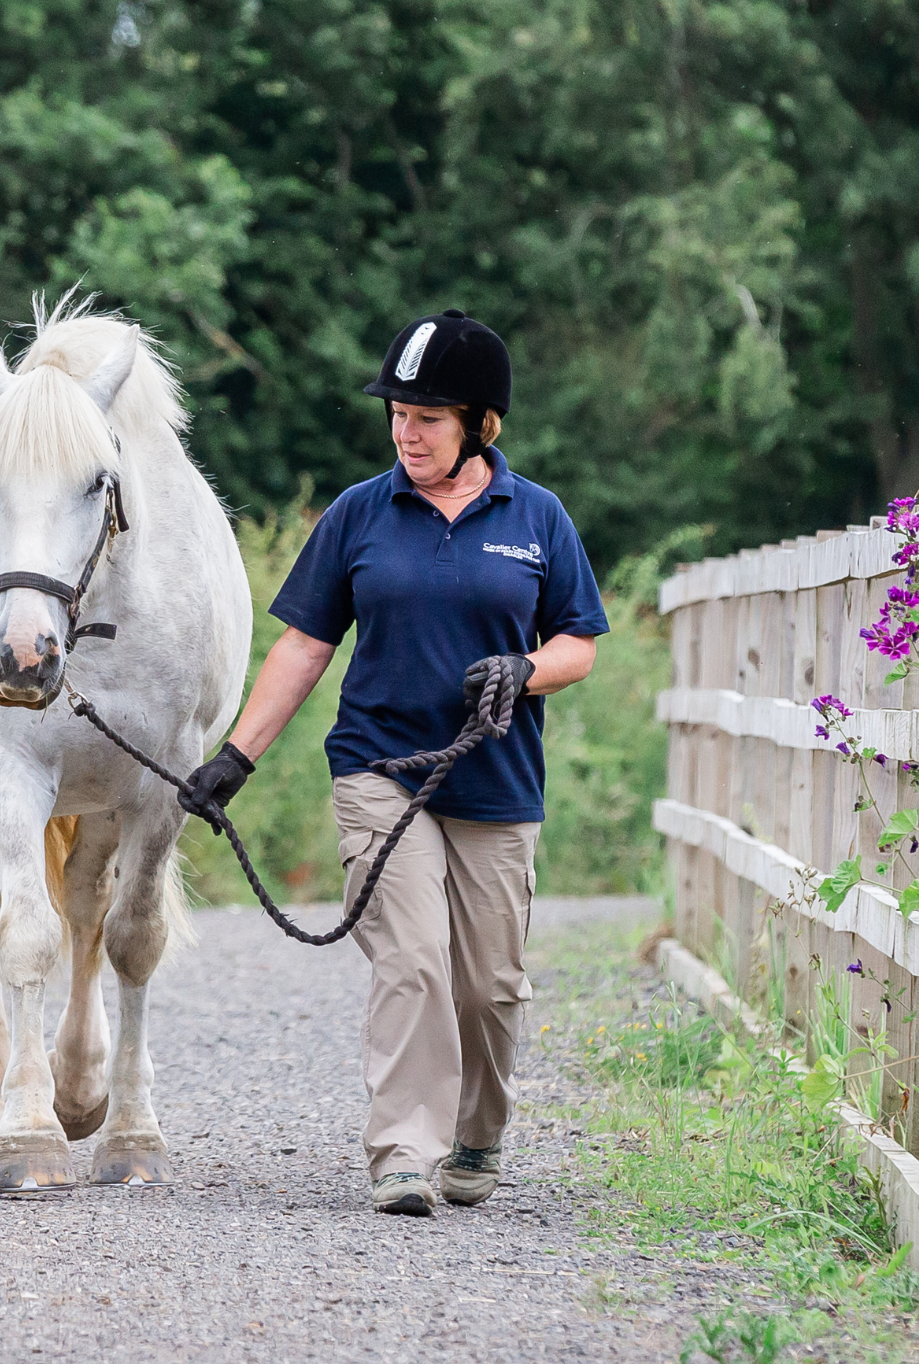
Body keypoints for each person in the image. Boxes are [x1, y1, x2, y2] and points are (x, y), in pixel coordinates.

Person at [180, 310, 608, 1216]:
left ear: (480, 425)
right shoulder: (358, 514)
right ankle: (403, 1154)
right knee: (412, 960)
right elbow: (304, 647)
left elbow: (580, 643)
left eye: (429, 418)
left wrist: (526, 669)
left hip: (496, 780)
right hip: (379, 768)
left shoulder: (536, 518)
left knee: (490, 986)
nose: (407, 433)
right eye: (398, 414)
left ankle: (477, 1135)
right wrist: (236, 758)